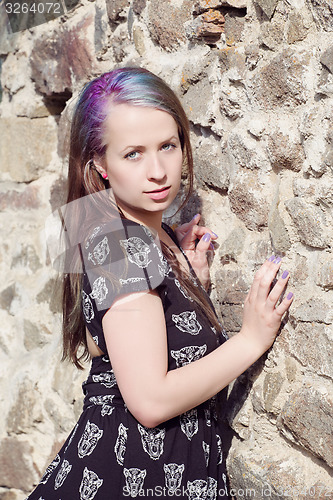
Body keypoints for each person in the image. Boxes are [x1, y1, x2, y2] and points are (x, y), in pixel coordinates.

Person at [26, 67, 293, 500]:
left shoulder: (110, 225)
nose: (157, 171)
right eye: (133, 154)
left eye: (168, 146)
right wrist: (250, 339)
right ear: (99, 164)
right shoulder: (124, 245)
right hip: (134, 473)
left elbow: (102, 341)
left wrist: (179, 278)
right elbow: (149, 403)